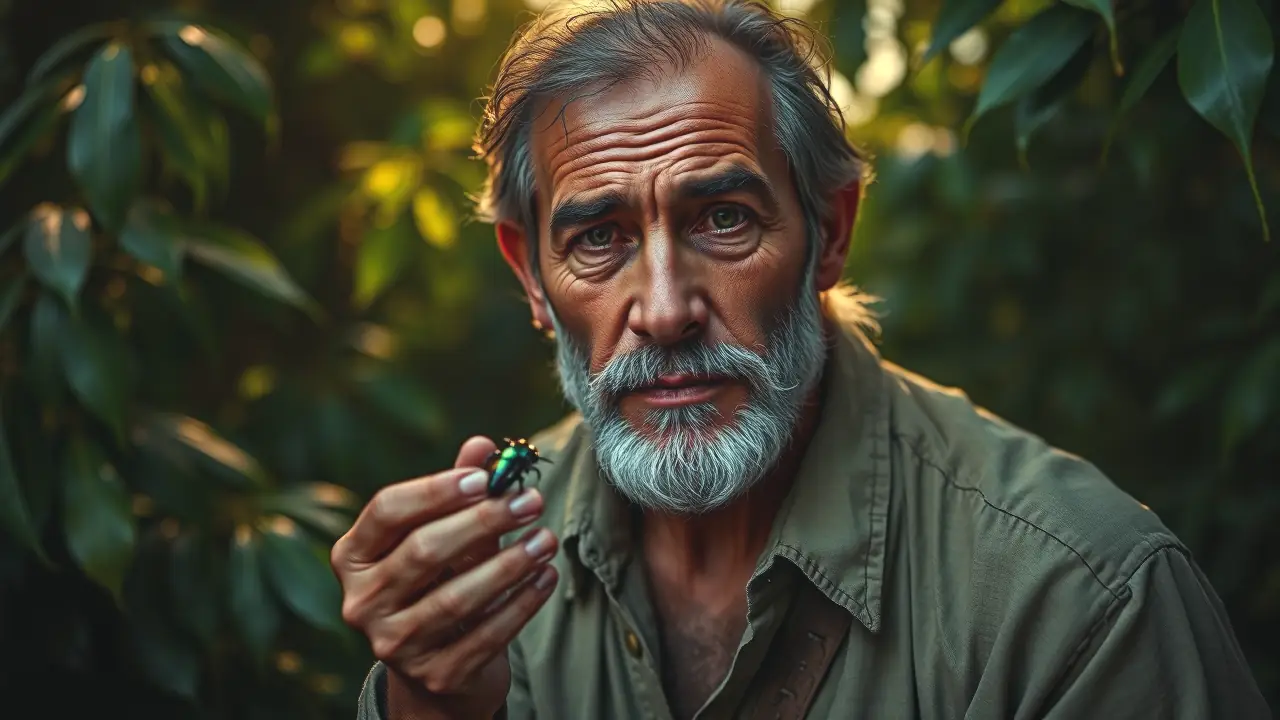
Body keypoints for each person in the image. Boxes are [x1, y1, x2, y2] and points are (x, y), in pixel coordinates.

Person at [332, 1, 1271, 717]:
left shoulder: (1075, 604)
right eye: (598, 239)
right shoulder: (480, 589)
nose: (664, 311)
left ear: (829, 233)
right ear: (532, 279)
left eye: (725, 219)